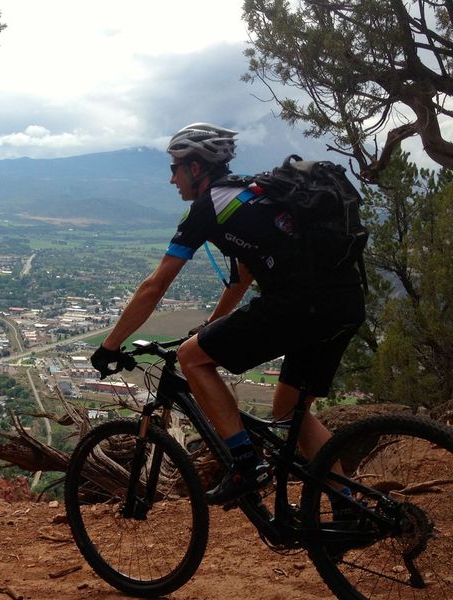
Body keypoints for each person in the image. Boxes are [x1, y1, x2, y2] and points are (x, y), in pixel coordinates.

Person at [91, 123, 365, 505]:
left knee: (191, 358)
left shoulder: (210, 207)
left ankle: (245, 463)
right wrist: (212, 325)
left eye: (176, 168)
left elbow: (155, 285)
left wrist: (110, 344)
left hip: (301, 305)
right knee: (290, 411)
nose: (172, 179)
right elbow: (243, 278)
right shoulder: (248, 193)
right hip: (345, 302)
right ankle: (348, 506)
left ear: (197, 169)